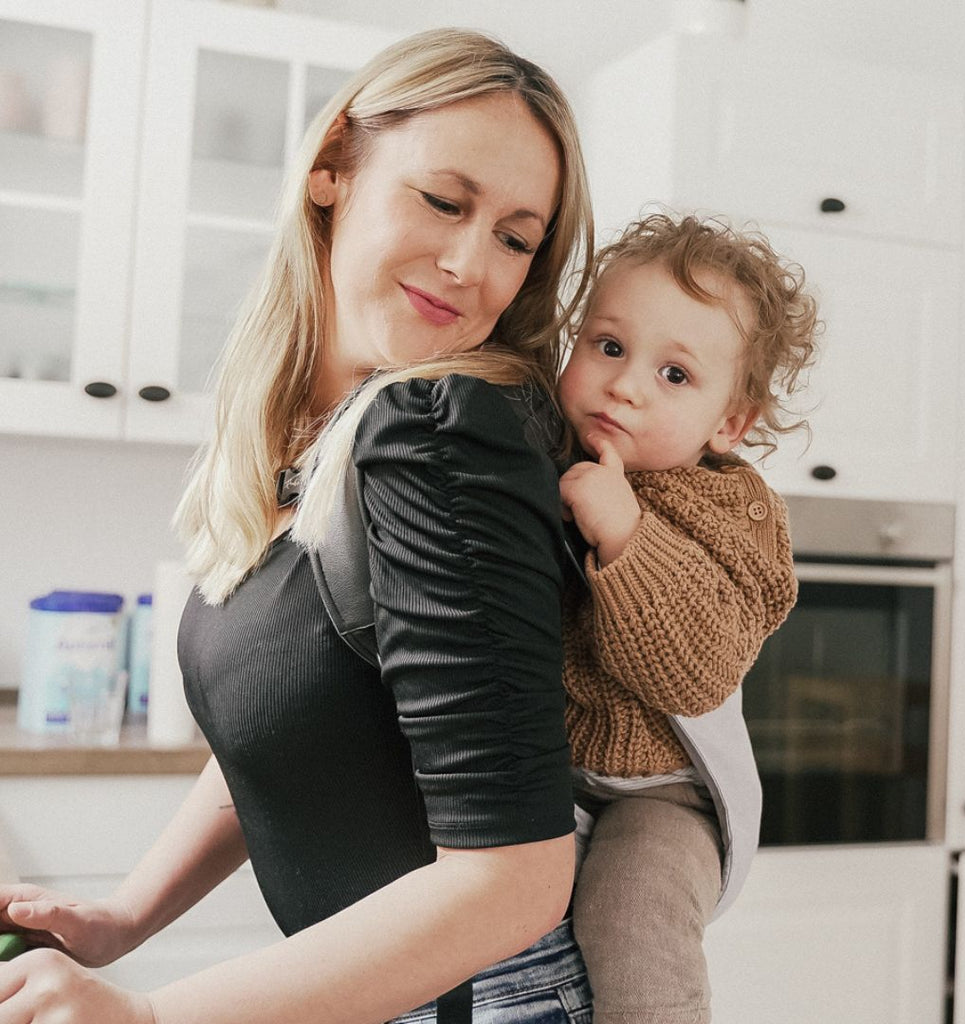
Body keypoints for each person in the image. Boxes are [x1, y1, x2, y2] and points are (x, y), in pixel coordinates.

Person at [0, 28, 595, 1024]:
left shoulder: (436, 430)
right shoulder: (319, 445)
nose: (469, 263)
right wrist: (123, 915)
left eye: (514, 238)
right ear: (331, 168)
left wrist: (146, 1017)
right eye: (443, 201)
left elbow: (515, 878)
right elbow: (297, 729)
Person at [557, 213, 820, 1023]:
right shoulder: (542, 447)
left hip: (665, 793)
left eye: (674, 374)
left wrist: (624, 532)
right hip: (550, 766)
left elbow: (698, 672)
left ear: (729, 424)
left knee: (632, 922)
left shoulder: (734, 512)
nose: (626, 385)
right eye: (608, 346)